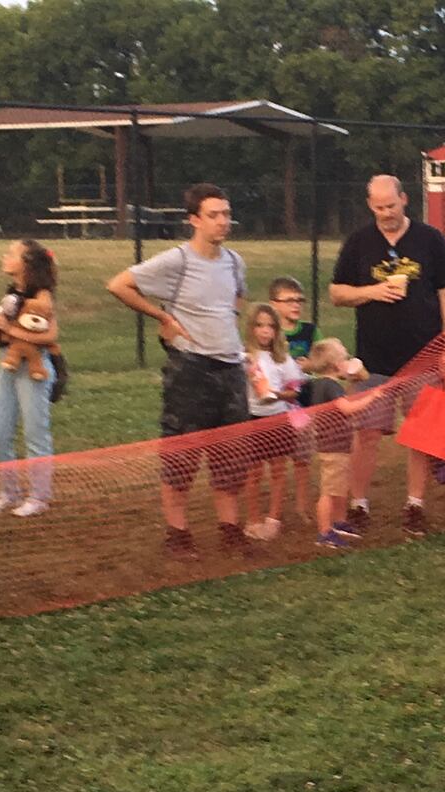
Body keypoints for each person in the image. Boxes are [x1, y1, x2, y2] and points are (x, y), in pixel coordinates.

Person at [107, 182, 252, 561]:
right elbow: (119, 285)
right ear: (194, 220)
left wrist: (229, 323)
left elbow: (237, 296)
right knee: (182, 454)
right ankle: (178, 533)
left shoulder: (235, 261)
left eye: (226, 213)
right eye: (214, 215)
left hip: (231, 367)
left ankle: (230, 530)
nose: (223, 221)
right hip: (191, 368)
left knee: (231, 453)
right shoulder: (177, 261)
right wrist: (161, 315)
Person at [329, 175, 445, 540]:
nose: (386, 213)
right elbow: (337, 293)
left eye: (392, 205)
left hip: (424, 356)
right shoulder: (359, 242)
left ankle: (415, 504)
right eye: (379, 207)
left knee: (422, 435)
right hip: (374, 361)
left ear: (404, 199)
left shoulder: (429, 239)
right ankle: (359, 504)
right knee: (367, 433)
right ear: (370, 205)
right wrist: (373, 291)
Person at [0, 239, 59, 518]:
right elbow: (9, 327)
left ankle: (39, 496)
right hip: (8, 365)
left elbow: (50, 336)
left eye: (11, 253)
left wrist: (9, 330)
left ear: (25, 262)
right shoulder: (12, 292)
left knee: (35, 433)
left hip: (34, 368)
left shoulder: (41, 295)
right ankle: (9, 492)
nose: (5, 257)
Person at [299, 339, 380, 549]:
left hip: (336, 446)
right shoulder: (330, 385)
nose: (347, 362)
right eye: (344, 359)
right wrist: (372, 397)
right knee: (329, 491)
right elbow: (346, 408)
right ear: (336, 365)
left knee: (340, 488)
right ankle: (324, 532)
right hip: (333, 448)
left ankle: (340, 522)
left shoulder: (319, 384)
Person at [241, 303, 306, 542]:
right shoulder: (244, 356)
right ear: (250, 328)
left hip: (278, 419)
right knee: (253, 473)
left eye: (270, 326)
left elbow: (294, 391)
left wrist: (275, 394)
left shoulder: (283, 359)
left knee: (278, 470)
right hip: (252, 419)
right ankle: (254, 518)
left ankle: (274, 518)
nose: (265, 331)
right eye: (259, 325)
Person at [268, 276, 322, 368]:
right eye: (289, 301)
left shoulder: (310, 331)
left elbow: (324, 359)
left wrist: (312, 365)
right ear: (273, 304)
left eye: (299, 300)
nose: (296, 305)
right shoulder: (268, 332)